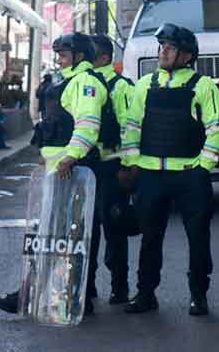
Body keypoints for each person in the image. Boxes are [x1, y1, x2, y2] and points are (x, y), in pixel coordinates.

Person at [0, 32, 107, 314]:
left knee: (57, 236)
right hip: (61, 170)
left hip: (73, 171)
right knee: (57, 235)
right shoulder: (69, 81)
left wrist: (70, 158)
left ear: (80, 55)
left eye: (64, 54)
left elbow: (88, 125)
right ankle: (61, 292)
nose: (58, 59)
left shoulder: (85, 83)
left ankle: (37, 293)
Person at [119, 23, 219, 316]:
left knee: (198, 238)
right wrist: (131, 164)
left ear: (187, 55)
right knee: (150, 237)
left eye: (170, 47)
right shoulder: (144, 85)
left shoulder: (203, 86)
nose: (162, 51)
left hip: (189, 176)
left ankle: (198, 295)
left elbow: (217, 129)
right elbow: (132, 128)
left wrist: (202, 167)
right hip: (151, 175)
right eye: (162, 46)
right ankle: (145, 294)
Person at [86, 34, 135, 307]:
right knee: (86, 229)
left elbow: (129, 127)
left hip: (111, 167)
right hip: (85, 167)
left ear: (104, 57)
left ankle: (120, 288)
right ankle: (87, 286)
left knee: (114, 227)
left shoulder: (120, 86)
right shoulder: (83, 83)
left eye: (89, 53)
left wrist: (128, 166)